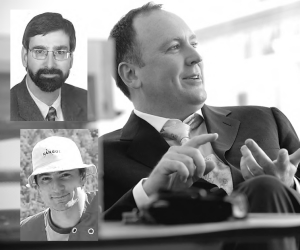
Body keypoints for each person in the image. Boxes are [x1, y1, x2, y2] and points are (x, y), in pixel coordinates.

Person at [102, 2, 300, 222]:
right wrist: (145, 193)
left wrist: (290, 187)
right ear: (130, 74)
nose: (196, 55)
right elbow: (74, 240)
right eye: (174, 47)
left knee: (266, 187)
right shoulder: (95, 158)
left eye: (194, 43)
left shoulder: (267, 120)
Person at [11, 12, 87, 121]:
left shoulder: (87, 101)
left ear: (71, 59)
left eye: (60, 52)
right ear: (25, 57)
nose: (50, 65)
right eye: (40, 51)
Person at [20, 136, 98, 241]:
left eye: (65, 175)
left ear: (82, 177)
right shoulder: (25, 233)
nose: (56, 188)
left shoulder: (112, 207)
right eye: (46, 178)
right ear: (38, 186)